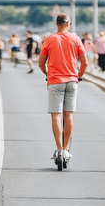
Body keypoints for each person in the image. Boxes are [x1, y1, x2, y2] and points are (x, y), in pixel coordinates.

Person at [38, 13, 88, 162]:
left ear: (57, 24)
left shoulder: (49, 39)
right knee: (69, 115)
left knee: (56, 115)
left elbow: (41, 63)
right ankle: (66, 150)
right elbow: (84, 62)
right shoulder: (75, 39)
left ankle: (59, 149)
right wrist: (78, 76)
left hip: (55, 82)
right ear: (68, 24)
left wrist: (48, 74)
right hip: (72, 81)